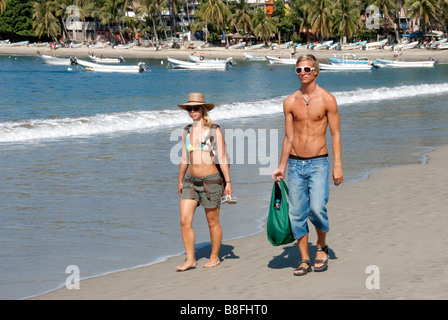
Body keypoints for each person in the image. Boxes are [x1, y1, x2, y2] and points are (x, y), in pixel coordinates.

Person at [272, 54, 343, 276]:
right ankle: (304, 258)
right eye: (299, 70)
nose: (303, 73)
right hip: (294, 165)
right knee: (296, 213)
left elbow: (336, 133)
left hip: (319, 163)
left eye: (307, 69)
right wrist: (281, 166)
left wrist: (337, 165)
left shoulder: (327, 99)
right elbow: (288, 137)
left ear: (316, 71)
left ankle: (321, 247)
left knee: (316, 208)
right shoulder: (290, 102)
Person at [176, 93, 232, 271]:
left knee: (212, 221)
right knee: (184, 220)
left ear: (203, 109)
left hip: (211, 181)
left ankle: (214, 257)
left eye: (195, 108)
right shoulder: (186, 131)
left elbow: (222, 158)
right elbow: (184, 158)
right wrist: (180, 181)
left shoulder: (214, 130)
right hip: (190, 181)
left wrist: (228, 182)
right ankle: (190, 259)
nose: (192, 111)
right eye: (189, 109)